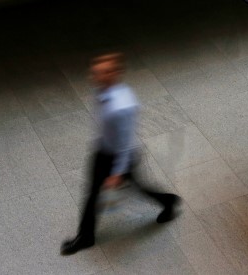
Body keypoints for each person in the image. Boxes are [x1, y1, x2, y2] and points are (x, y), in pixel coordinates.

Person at [61, 52, 180, 256]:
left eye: (102, 72)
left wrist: (117, 172)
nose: (95, 75)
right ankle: (86, 236)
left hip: (119, 158)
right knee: (92, 194)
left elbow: (125, 142)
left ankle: (168, 201)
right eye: (96, 70)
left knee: (139, 188)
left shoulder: (122, 105)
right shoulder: (102, 92)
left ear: (114, 74)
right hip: (103, 151)